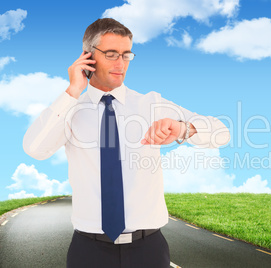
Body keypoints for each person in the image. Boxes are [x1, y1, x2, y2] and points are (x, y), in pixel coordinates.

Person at [23, 18, 230, 267]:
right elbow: (35, 149)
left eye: (126, 55)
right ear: (88, 57)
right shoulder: (70, 108)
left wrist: (183, 129)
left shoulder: (151, 103)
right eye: (111, 54)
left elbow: (222, 133)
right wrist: (73, 90)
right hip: (88, 251)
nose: (120, 64)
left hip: (149, 250)